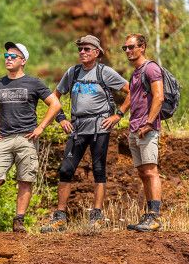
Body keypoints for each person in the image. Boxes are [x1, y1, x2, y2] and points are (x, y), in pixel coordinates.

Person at [0, 42, 61, 233]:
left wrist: (41, 127)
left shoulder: (34, 83)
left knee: (25, 180)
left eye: (13, 56)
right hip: (4, 139)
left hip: (27, 138)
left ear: (23, 61)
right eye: (6, 56)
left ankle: (19, 221)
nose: (8, 59)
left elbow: (55, 104)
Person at [41, 35, 130, 233]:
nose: (82, 52)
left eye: (87, 49)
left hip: (100, 127)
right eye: (80, 49)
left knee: (98, 169)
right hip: (77, 127)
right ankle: (60, 218)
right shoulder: (72, 72)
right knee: (66, 170)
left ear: (96, 52)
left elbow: (131, 91)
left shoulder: (104, 72)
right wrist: (61, 118)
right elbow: (54, 97)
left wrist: (118, 115)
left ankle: (96, 217)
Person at [122, 33, 164, 232]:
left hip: (147, 128)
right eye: (125, 48)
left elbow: (159, 96)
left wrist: (148, 123)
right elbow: (133, 97)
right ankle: (149, 214)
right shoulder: (136, 72)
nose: (128, 51)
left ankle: (155, 216)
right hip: (135, 128)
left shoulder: (151, 68)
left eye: (131, 47)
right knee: (143, 173)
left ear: (142, 47)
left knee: (151, 171)